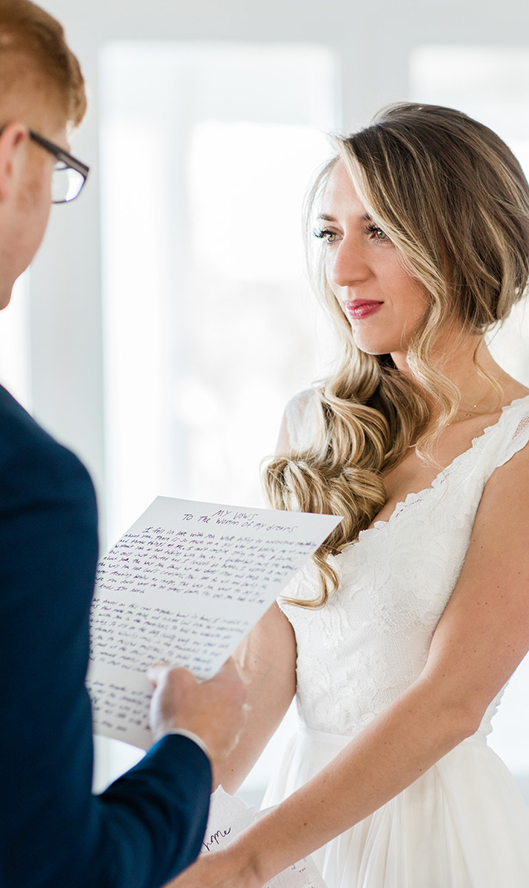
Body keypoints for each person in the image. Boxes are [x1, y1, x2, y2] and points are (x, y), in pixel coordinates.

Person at [169, 103, 529, 888]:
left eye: (380, 232)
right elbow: (273, 663)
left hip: (432, 835)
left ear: (463, 242)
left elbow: (450, 703)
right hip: (297, 815)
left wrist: (255, 855)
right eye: (330, 234)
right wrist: (165, 817)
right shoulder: (312, 425)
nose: (342, 272)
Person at [0, 3, 248, 887]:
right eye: (60, 168)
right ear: (10, 159)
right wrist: (194, 746)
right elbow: (57, 868)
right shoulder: (29, 487)